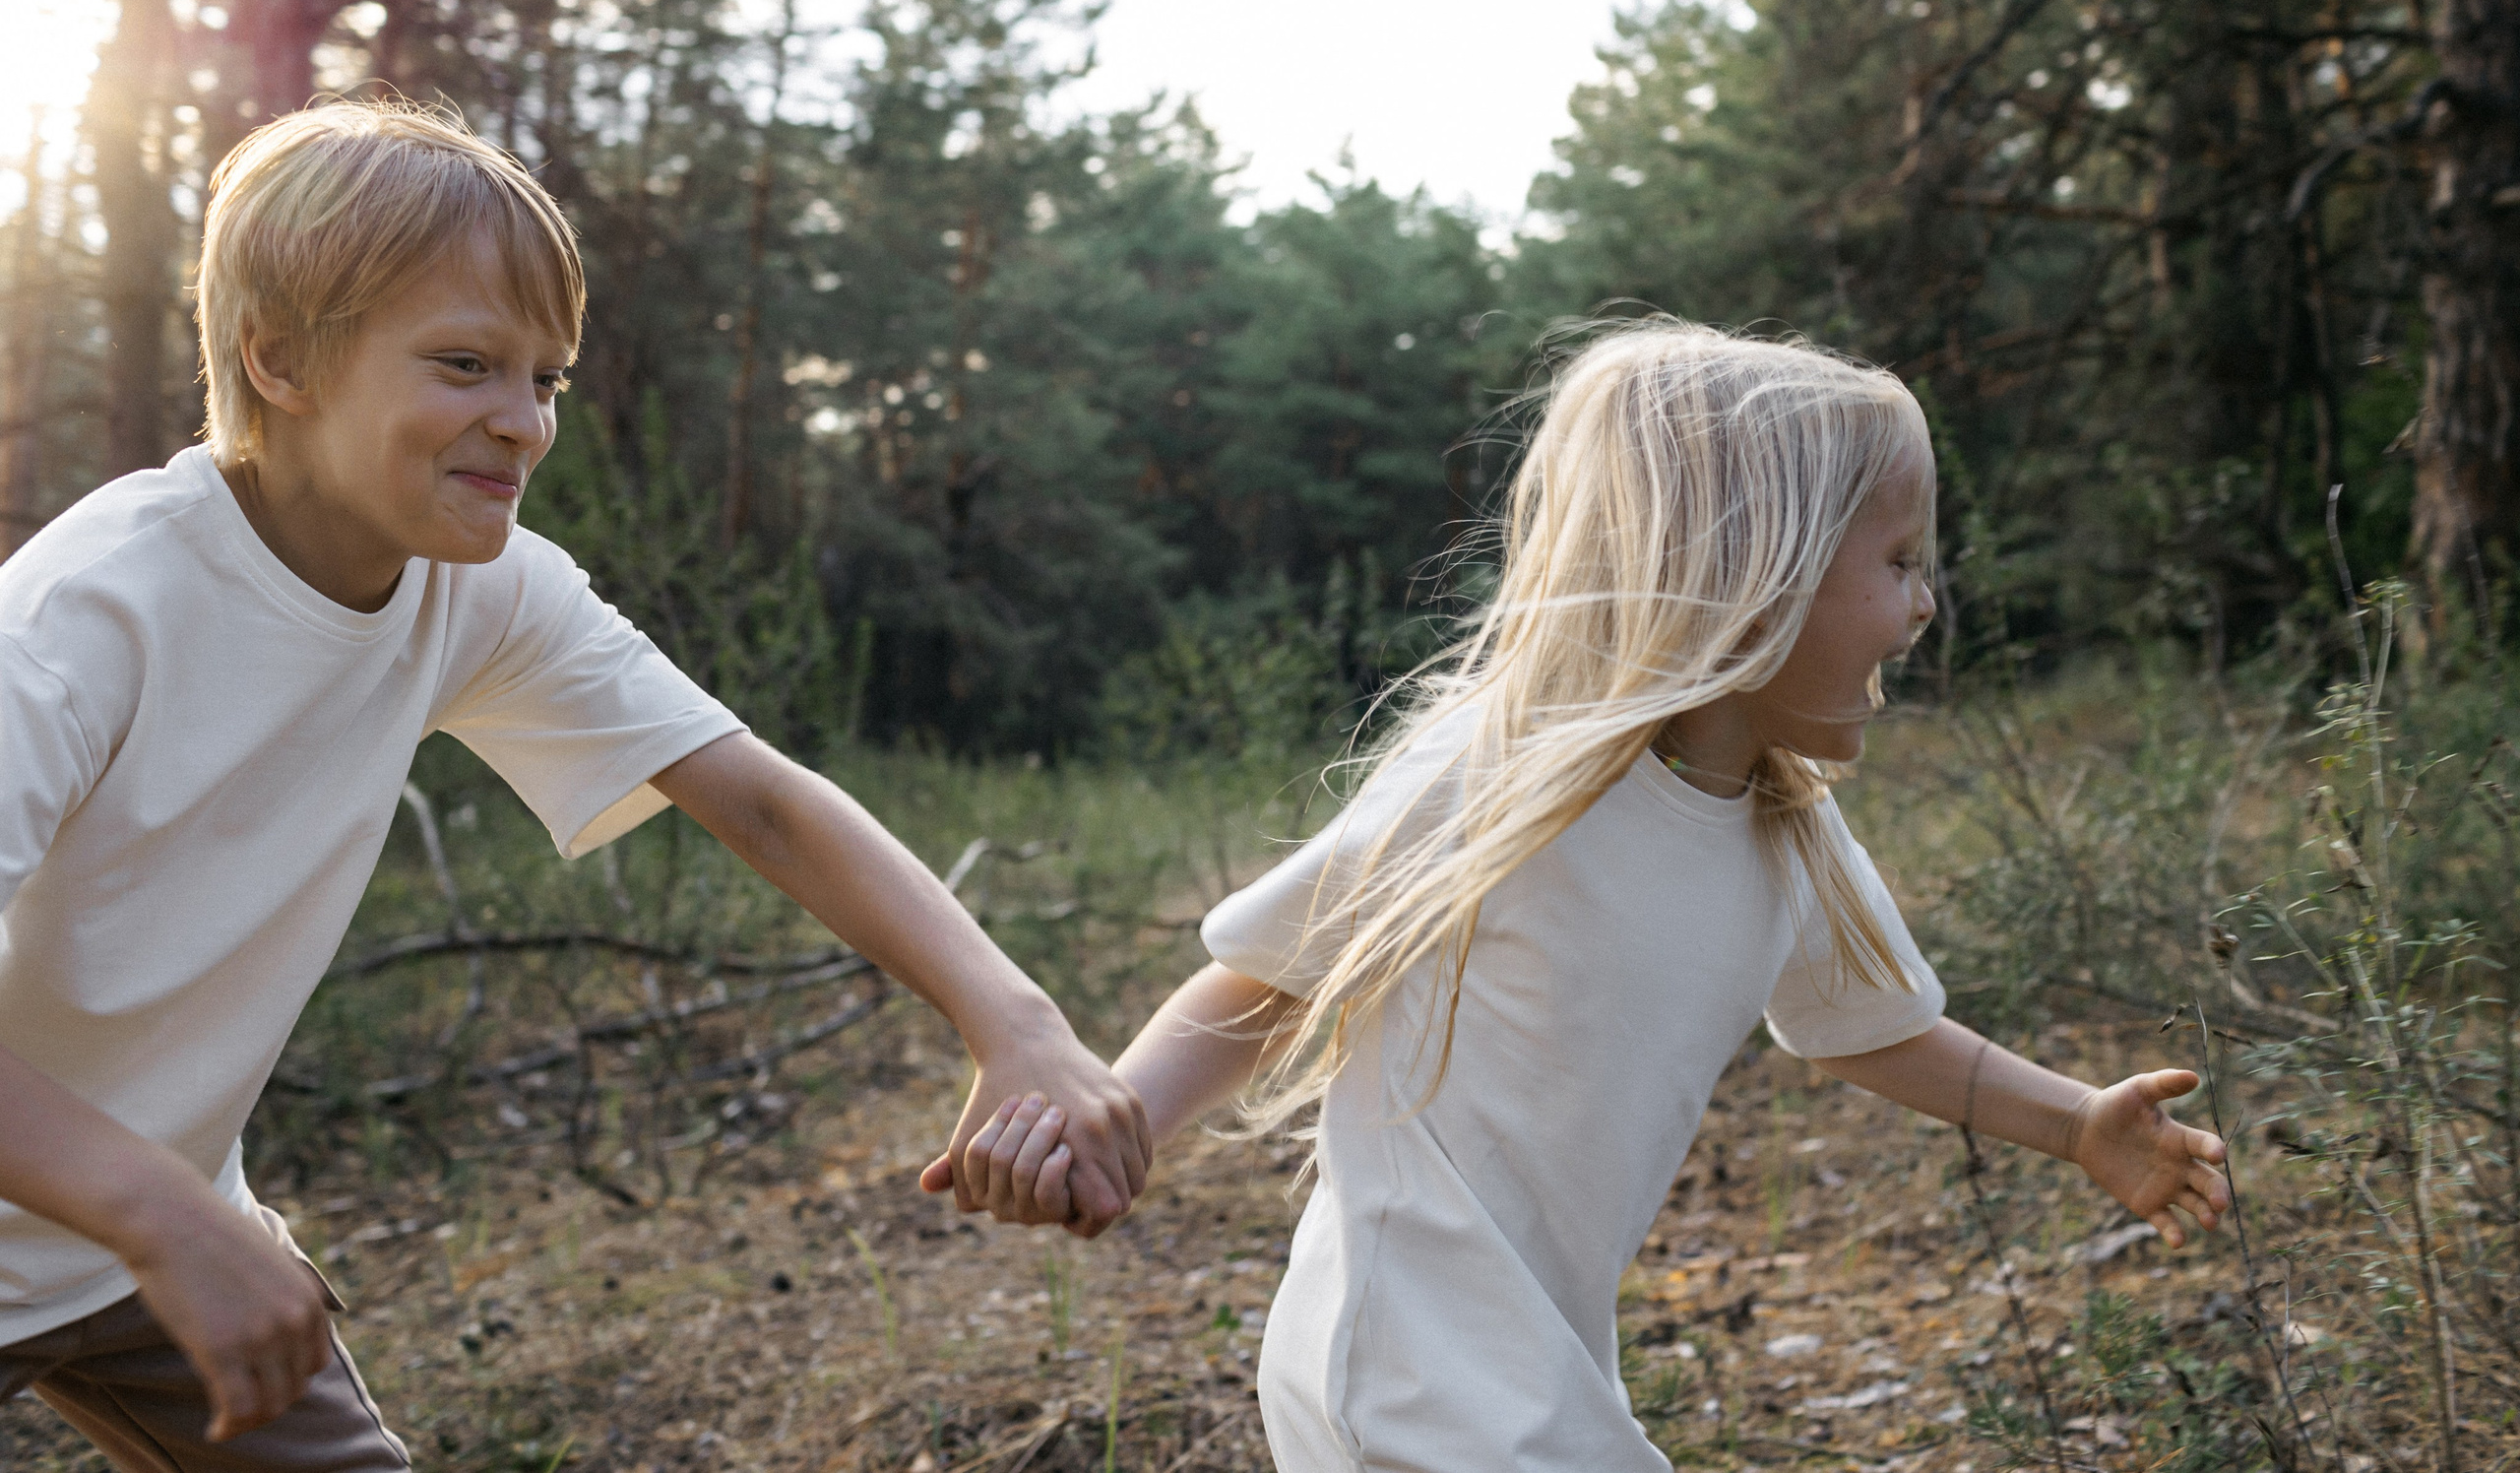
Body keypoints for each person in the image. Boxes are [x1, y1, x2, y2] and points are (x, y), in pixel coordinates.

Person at [0, 99, 1149, 1470]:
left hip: (149, 1244)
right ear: (281, 361)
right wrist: (165, 1212)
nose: (523, 424)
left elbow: (762, 799)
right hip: (144, 1216)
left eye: (545, 379)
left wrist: (1012, 1022)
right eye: (466, 363)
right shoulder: (85, 621)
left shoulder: (473, 589)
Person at [937, 322, 2233, 1472]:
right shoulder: (1506, 777)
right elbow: (1278, 977)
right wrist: (1124, 1126)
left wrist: (2076, 1126)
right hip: (1408, 1356)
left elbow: (1878, 1028)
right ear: (1755, 577)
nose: (1926, 603)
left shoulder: (1792, 829)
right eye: (1896, 559)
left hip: (1532, 1358)